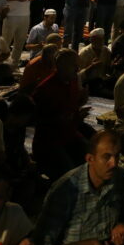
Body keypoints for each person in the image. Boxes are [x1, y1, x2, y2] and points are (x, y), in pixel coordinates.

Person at [30, 130, 124, 245]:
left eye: (117, 156)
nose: (113, 163)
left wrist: (123, 225)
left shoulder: (120, 177)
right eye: (106, 157)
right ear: (90, 159)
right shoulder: (65, 190)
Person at [32, 49, 91, 178]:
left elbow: (71, 107)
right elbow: (37, 120)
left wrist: (81, 102)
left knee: (93, 154)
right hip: (50, 141)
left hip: (69, 132)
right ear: (60, 66)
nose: (77, 69)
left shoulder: (73, 81)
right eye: (73, 65)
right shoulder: (44, 89)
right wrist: (66, 118)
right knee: (69, 173)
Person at [2, 0, 40, 67]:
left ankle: (14, 66)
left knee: (19, 43)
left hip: (25, 15)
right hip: (11, 16)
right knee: (6, 43)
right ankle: (2, 66)